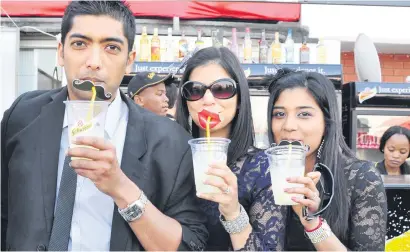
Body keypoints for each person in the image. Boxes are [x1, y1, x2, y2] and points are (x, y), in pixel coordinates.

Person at [1, 1, 207, 251]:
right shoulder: (23, 115)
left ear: (129, 59)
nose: (94, 62)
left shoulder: (170, 142)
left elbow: (189, 244)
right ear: (60, 52)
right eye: (80, 44)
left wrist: (120, 187)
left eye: (111, 47)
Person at [176, 47, 287, 251]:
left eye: (222, 89)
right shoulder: (168, 158)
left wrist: (233, 212)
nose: (208, 100)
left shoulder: (263, 168)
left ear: (239, 100)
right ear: (185, 101)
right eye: (195, 90)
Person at [265, 68, 387, 250]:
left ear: (327, 122)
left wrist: (313, 224)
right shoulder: (260, 173)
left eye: (304, 114)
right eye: (279, 114)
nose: (288, 126)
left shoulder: (360, 178)